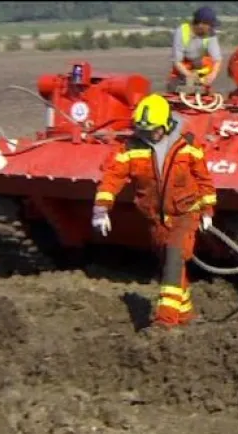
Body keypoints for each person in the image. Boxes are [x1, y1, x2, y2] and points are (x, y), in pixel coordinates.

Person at [91, 93, 217, 329]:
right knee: (170, 266)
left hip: (185, 213)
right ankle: (186, 315)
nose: (148, 135)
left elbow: (204, 180)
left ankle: (165, 322)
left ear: (167, 125)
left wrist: (207, 211)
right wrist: (101, 209)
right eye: (143, 130)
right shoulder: (132, 148)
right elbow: (112, 178)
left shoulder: (187, 145)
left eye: (153, 130)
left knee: (174, 257)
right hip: (155, 217)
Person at [167, 6, 223, 92]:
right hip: (182, 68)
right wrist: (190, 76)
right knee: (176, 87)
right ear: (200, 24)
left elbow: (217, 60)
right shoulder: (182, 32)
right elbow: (177, 61)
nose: (212, 28)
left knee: (208, 62)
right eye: (210, 25)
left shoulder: (211, 34)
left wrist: (213, 74)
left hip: (200, 68)